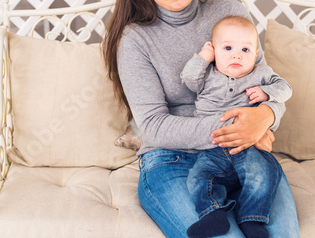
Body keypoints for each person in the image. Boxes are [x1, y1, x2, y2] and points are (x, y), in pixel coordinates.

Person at [102, 0, 300, 237]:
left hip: (245, 150)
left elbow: (264, 85)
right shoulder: (135, 38)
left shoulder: (229, 9)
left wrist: (267, 116)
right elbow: (153, 126)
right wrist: (241, 127)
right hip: (173, 157)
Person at [180, 16, 292, 238]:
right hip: (211, 149)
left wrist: (267, 93)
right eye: (228, 48)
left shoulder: (261, 73)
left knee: (264, 173)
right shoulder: (208, 73)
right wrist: (203, 58)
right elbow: (188, 79)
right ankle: (213, 215)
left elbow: (286, 88)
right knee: (198, 177)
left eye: (245, 49)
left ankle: (252, 219)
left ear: (256, 53)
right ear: (215, 51)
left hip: (249, 145)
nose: (237, 55)